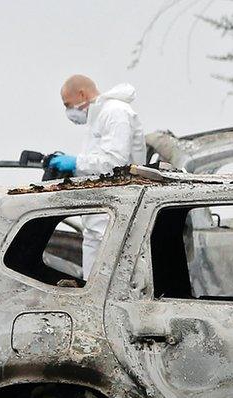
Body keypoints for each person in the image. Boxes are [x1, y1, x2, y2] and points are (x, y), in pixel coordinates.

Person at [48, 75, 145, 278]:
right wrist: (73, 170)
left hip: (117, 206)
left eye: (67, 104)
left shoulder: (116, 112)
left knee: (114, 272)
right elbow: (97, 162)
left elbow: (115, 163)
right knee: (93, 278)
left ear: (81, 94)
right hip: (100, 209)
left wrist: (76, 162)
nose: (68, 111)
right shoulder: (99, 118)